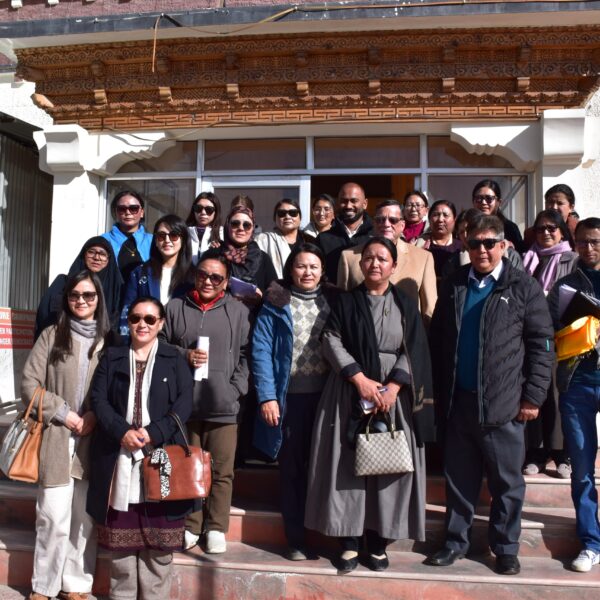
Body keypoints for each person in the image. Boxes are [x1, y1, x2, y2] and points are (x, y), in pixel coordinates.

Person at [426, 214, 554, 576]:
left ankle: (506, 548)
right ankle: (454, 542)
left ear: (503, 245)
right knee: (459, 480)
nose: (481, 250)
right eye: (473, 243)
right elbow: (438, 342)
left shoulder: (522, 287)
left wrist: (532, 397)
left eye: (488, 243)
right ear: (465, 246)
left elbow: (542, 346)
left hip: (503, 405)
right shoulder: (453, 285)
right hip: (459, 402)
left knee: (507, 483)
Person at [305, 237, 432, 573]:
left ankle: (378, 542)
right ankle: (347, 541)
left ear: (393, 265)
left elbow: (415, 348)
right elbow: (330, 339)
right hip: (349, 390)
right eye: (369, 258)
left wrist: (392, 387)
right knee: (344, 465)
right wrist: (359, 379)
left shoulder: (406, 303)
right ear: (360, 264)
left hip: (394, 396)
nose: (375, 263)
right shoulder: (346, 303)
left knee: (388, 466)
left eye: (382, 258)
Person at [87, 297, 194, 600]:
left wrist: (152, 432)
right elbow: (99, 400)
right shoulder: (114, 356)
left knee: (158, 551)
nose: (142, 325)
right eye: (135, 318)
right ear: (128, 321)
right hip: (118, 456)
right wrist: (122, 432)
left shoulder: (174, 359)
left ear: (161, 324)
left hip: (161, 459)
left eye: (150, 319)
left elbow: (185, 403)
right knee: (121, 549)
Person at [22, 270, 113, 600]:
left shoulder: (110, 340)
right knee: (52, 516)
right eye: (75, 296)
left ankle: (75, 584)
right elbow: (29, 384)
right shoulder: (51, 335)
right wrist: (64, 413)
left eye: (88, 296)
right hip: (57, 436)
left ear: (98, 299)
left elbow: (116, 391)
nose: (81, 301)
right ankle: (44, 585)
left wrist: (92, 415)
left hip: (93, 440)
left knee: (83, 520)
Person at [160, 250, 251, 555]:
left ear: (226, 283)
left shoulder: (238, 312)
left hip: (223, 405)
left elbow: (246, 354)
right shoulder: (175, 307)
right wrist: (183, 354)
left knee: (222, 470)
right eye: (203, 275)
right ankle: (191, 525)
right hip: (184, 405)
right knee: (188, 467)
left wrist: (235, 388)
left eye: (216, 277)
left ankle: (215, 527)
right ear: (194, 276)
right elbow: (158, 346)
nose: (208, 281)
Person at [252, 243, 335, 560]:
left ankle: (332, 535)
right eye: (301, 266)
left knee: (326, 469)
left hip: (328, 400)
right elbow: (260, 351)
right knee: (291, 470)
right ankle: (296, 538)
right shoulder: (275, 303)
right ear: (290, 269)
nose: (308, 272)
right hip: (290, 400)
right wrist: (268, 396)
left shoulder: (335, 300)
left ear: (322, 270)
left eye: (314, 266)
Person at [547, 217, 600, 573]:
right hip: (577, 380)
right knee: (581, 467)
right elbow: (547, 328)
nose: (589, 248)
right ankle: (591, 541)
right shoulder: (564, 285)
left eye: (595, 241)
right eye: (582, 242)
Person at [521, 209, 578, 478]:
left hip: (561, 338)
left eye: (551, 228)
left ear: (561, 231)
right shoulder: (527, 259)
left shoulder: (572, 259)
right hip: (530, 338)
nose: (546, 233)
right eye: (541, 228)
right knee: (534, 394)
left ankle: (561, 454)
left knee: (557, 396)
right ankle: (537, 452)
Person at [337, 199, 437, 326]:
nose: (386, 224)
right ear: (374, 223)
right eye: (380, 219)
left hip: (407, 338)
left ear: (402, 225)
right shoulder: (349, 257)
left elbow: (429, 309)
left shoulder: (423, 258)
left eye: (393, 220)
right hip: (361, 338)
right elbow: (342, 305)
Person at [119, 215, 192, 339]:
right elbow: (128, 311)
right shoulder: (140, 273)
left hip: (181, 342)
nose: (167, 241)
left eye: (174, 236)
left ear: (183, 240)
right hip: (146, 340)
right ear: (156, 241)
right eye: (161, 236)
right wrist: (125, 342)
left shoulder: (195, 276)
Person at [35, 236, 122, 339]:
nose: (96, 257)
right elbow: (45, 317)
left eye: (102, 254)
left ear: (109, 259)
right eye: (91, 252)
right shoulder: (63, 284)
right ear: (83, 255)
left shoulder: (117, 289)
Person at [442, 208, 524, 280]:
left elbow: (520, 286)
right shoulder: (452, 262)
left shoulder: (511, 255)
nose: (466, 235)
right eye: (462, 232)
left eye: (470, 229)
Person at [219, 206, 277, 306]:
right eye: (235, 224)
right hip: (220, 315)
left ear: (253, 228)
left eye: (246, 225)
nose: (241, 228)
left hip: (254, 318)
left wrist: (261, 297)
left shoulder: (263, 258)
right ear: (227, 225)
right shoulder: (214, 255)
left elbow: (275, 294)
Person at [317, 182, 374, 282]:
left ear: (365, 204)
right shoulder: (323, 239)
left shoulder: (375, 237)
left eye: (354, 201)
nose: (348, 206)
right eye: (344, 201)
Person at [102, 190, 153, 282]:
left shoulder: (154, 241)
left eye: (133, 208)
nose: (128, 212)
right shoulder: (103, 241)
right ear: (116, 212)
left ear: (142, 212)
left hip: (146, 295)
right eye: (122, 209)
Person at [416, 200, 462, 287]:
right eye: (436, 215)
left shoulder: (461, 247)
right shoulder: (419, 245)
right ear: (429, 219)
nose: (440, 219)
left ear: (454, 219)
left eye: (446, 215)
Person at [471, 179, 524, 252]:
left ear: (499, 202)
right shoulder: (466, 227)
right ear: (473, 202)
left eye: (489, 198)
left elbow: (519, 256)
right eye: (479, 198)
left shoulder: (510, 228)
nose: (483, 202)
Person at [256, 198, 303, 279]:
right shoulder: (263, 240)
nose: (287, 217)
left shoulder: (309, 240)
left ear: (300, 217)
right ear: (275, 218)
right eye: (282, 213)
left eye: (293, 213)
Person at [524, 184, 579, 248]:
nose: (554, 207)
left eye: (560, 203)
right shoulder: (531, 234)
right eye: (551, 202)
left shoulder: (580, 232)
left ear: (571, 207)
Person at [185, 191, 223, 265]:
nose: (203, 212)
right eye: (198, 208)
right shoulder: (183, 232)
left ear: (216, 212)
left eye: (209, 209)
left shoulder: (223, 234)